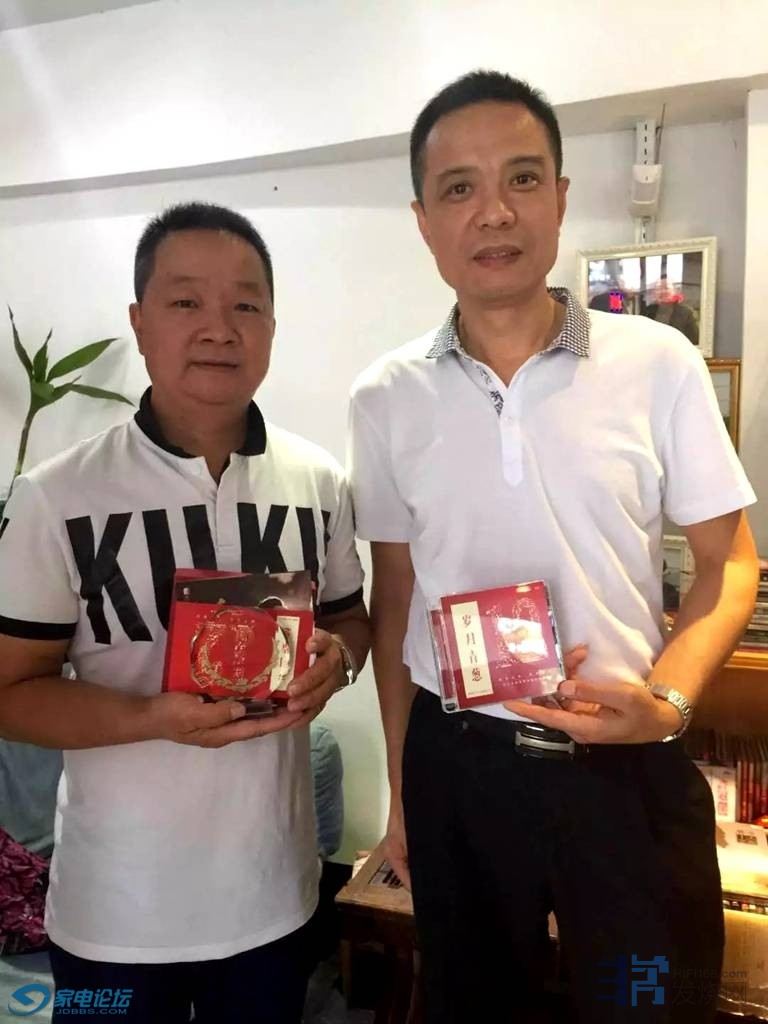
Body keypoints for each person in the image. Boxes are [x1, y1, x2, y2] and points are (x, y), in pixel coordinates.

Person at [348, 71, 758, 1024]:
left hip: (624, 767)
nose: (494, 211)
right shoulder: (385, 396)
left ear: (561, 198)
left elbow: (730, 563)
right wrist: (404, 792)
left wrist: (667, 703)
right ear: (423, 220)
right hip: (459, 769)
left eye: (523, 178)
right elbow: (395, 598)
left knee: (649, 1001)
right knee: (474, 1006)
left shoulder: (657, 363)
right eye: (459, 187)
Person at [0, 202, 370, 1024]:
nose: (219, 328)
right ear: (139, 322)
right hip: (114, 914)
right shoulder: (55, 496)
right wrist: (150, 718)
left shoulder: (318, 481)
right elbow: (10, 693)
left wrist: (339, 663)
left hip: (274, 900)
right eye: (185, 301)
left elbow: (352, 620)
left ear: (271, 327)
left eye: (246, 304)